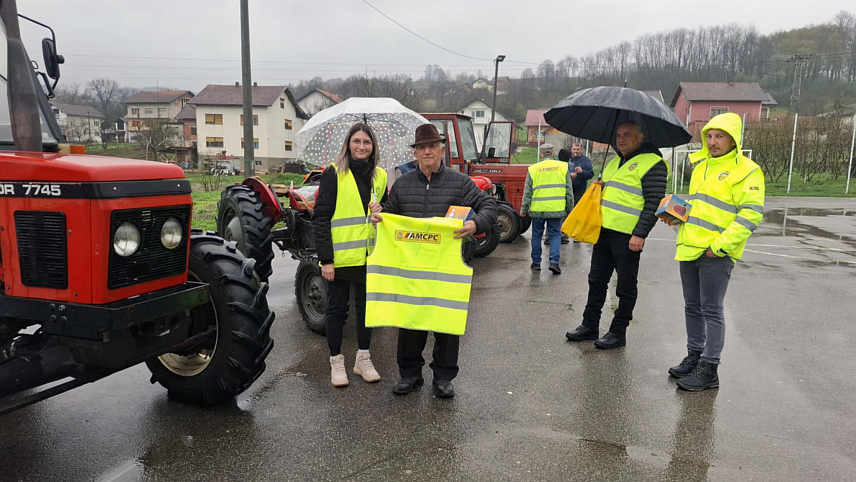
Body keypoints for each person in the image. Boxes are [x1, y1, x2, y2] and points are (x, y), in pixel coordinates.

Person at [373, 123, 497, 398]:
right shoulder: (402, 185)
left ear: (442, 149)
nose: (426, 151)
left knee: (445, 322)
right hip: (411, 270)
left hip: (447, 269)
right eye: (421, 147)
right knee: (409, 321)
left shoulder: (460, 182)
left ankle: (443, 377)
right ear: (415, 153)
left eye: (431, 146)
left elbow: (489, 206)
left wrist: (476, 224)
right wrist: (380, 215)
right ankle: (409, 374)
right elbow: (390, 216)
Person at [665, 113, 764, 391]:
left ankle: (709, 368)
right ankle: (695, 356)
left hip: (715, 253)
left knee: (711, 310)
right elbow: (701, 208)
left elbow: (750, 216)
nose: (712, 141)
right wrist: (677, 215)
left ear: (734, 138)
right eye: (709, 136)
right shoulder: (701, 167)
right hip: (690, 248)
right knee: (692, 308)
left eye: (720, 136)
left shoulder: (747, 170)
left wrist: (719, 246)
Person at [565, 121, 668, 349]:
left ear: (640, 137)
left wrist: (640, 234)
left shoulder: (653, 163)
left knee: (625, 287)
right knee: (596, 280)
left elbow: (653, 202)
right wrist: (599, 186)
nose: (621, 139)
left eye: (627, 135)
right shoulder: (614, 162)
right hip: (604, 233)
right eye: (619, 135)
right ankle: (589, 325)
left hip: (628, 236)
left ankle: (618, 331)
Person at [312, 123, 388, 387]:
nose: (361, 146)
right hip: (341, 260)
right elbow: (320, 217)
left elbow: (386, 214)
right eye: (356, 141)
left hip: (369, 257)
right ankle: (336, 362)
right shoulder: (334, 173)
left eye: (367, 142)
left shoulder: (380, 176)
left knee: (368, 312)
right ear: (348, 144)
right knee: (336, 312)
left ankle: (363, 359)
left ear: (373, 147)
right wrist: (326, 259)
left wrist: (382, 211)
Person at [521, 144, 574, 274]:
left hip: (537, 209)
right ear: (553, 153)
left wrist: (524, 209)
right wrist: (570, 207)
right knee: (555, 235)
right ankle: (554, 263)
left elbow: (527, 192)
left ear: (541, 154)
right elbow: (568, 189)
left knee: (536, 236)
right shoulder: (563, 167)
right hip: (556, 209)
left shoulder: (533, 169)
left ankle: (536, 263)